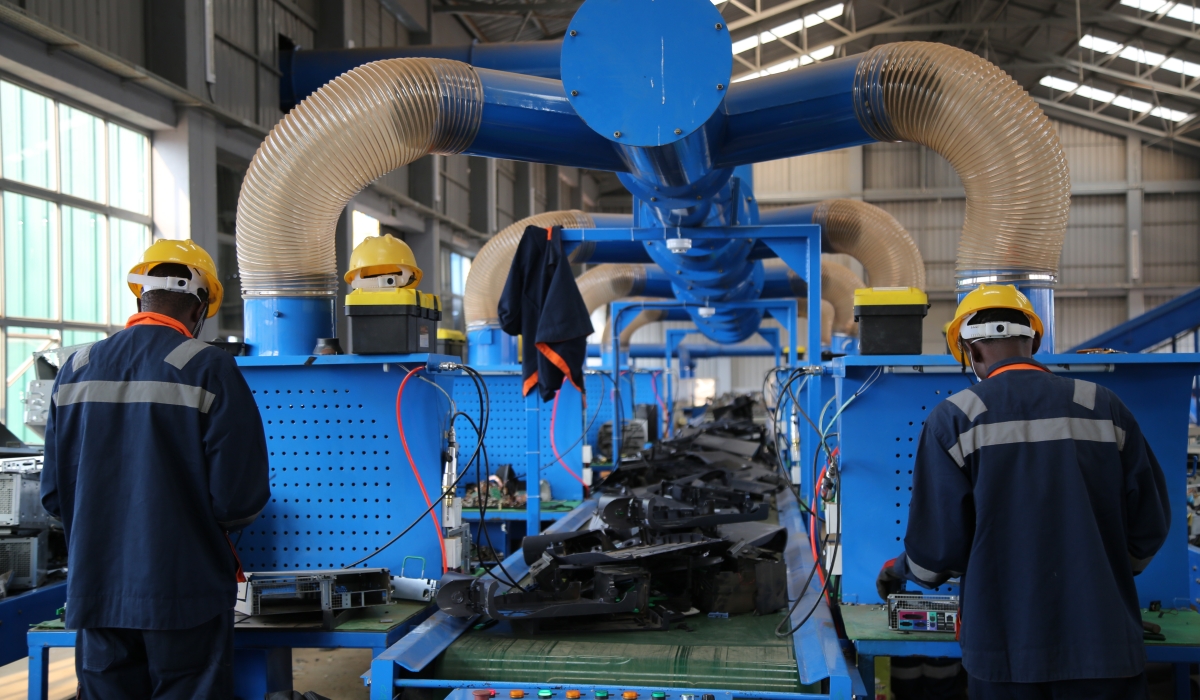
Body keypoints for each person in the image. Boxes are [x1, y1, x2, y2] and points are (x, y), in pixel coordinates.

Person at [876, 284, 1170, 700]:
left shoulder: (955, 419)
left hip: (1005, 651)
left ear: (970, 352)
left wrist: (900, 569)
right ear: (1033, 340)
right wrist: (1099, 569)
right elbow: (1150, 523)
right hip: (1104, 642)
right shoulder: (1103, 405)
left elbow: (939, 549)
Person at [41, 239, 270, 699]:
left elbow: (53, 495)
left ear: (139, 296)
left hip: (97, 589)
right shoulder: (208, 366)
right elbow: (238, 499)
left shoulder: (75, 367)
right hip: (184, 592)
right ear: (201, 304)